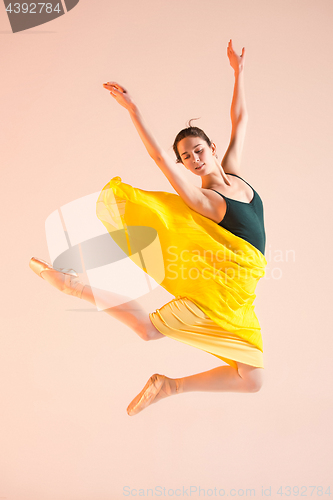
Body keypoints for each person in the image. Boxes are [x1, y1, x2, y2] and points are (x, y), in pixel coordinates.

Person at [30, 40, 268, 416]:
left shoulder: (236, 176)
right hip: (217, 291)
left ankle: (169, 386)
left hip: (241, 295)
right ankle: (70, 285)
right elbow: (159, 158)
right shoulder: (206, 200)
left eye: (199, 150)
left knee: (252, 379)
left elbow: (241, 119)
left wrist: (238, 72)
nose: (194, 159)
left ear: (213, 147)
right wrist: (133, 110)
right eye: (187, 157)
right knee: (148, 330)